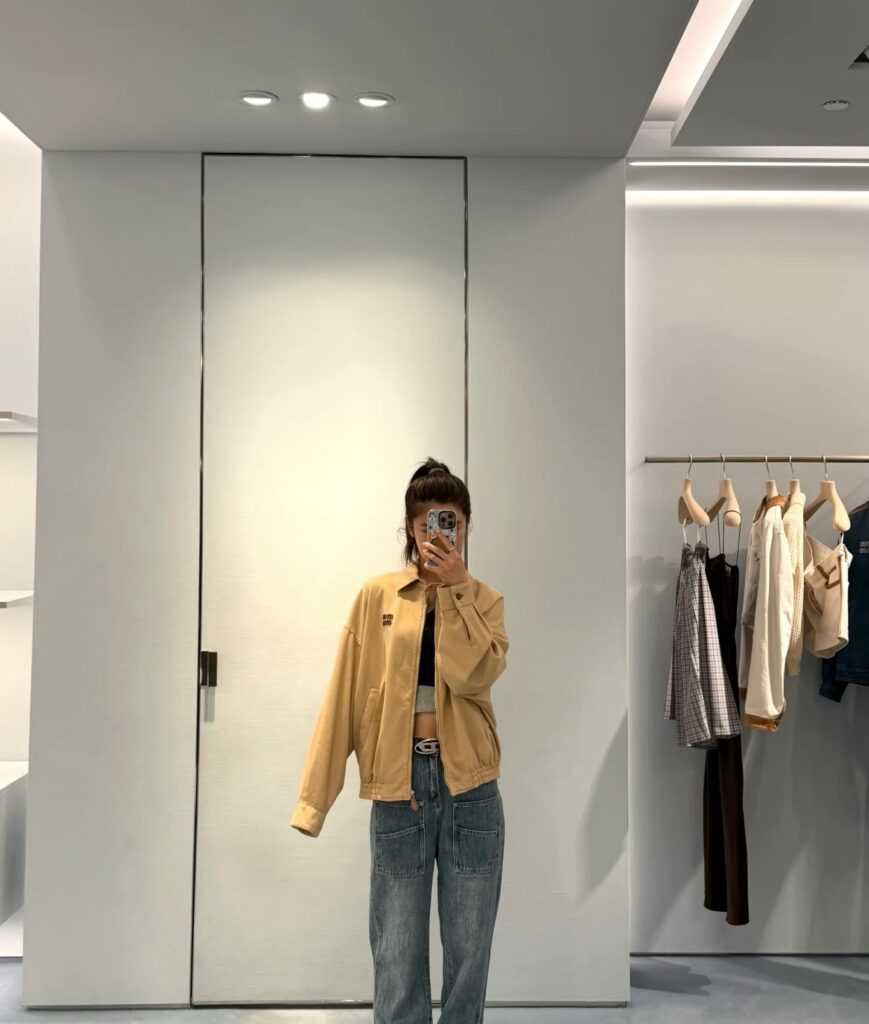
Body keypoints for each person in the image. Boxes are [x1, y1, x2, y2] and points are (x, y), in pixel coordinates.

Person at [290, 457, 509, 1023]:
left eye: (451, 521)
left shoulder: (485, 600)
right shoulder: (376, 596)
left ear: (465, 526)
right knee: (396, 948)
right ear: (411, 528)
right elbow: (344, 695)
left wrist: (457, 590)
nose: (440, 533)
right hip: (399, 787)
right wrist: (314, 800)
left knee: (470, 948)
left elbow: (476, 675)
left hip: (471, 790)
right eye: (428, 522)